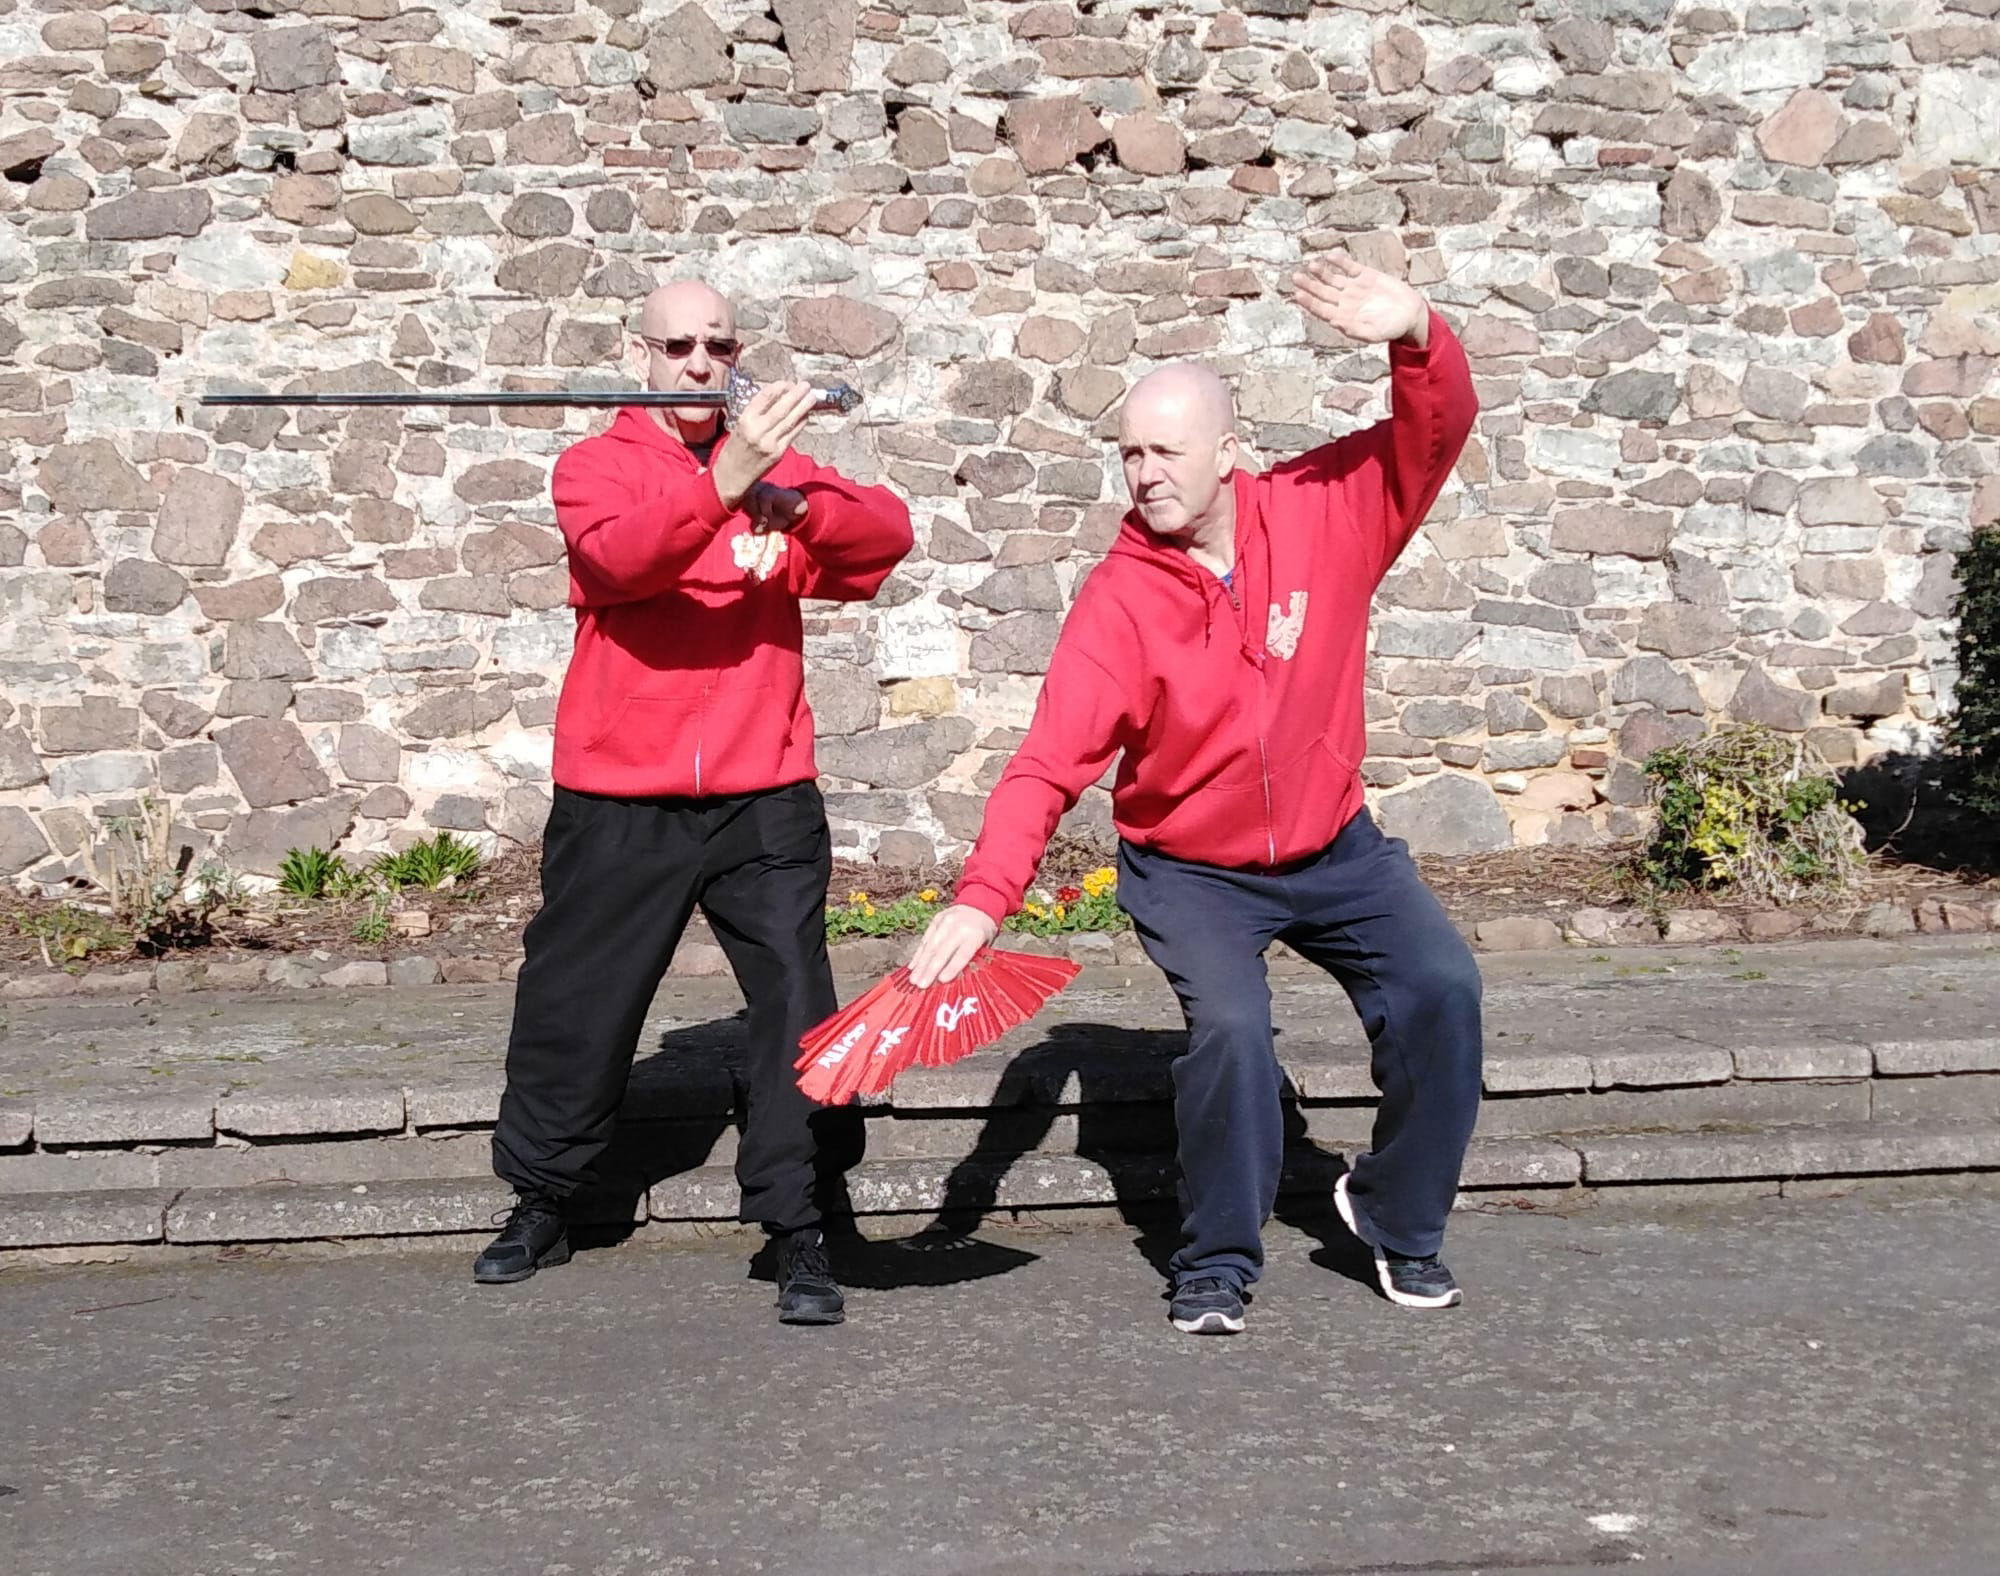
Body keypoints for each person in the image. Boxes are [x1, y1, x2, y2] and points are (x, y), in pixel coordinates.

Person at [909, 253, 1482, 1336]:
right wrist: (984, 896)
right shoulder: (1118, 601)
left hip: (1335, 849)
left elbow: (1433, 433)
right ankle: (1216, 1254)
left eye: (1164, 450)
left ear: (1229, 454)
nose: (1142, 473)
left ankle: (1398, 1221)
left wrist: (1414, 333)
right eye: (1127, 453)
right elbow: (1046, 763)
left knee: (1442, 988)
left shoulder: (1326, 510)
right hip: (1193, 870)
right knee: (1227, 1029)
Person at [475, 279, 915, 1325]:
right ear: (640, 352)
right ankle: (544, 1195)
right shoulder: (594, 467)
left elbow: (883, 538)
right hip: (621, 791)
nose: (700, 363)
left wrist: (799, 503)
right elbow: (619, 560)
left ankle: (800, 1214)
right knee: (577, 1003)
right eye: (677, 344)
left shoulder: (773, 458)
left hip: (762, 789)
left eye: (719, 344)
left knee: (799, 1008)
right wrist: (724, 483)